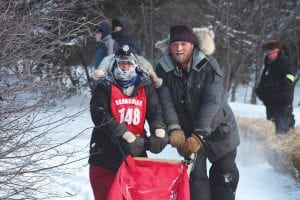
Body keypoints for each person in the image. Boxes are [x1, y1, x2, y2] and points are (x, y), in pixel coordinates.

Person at [155, 25, 240, 200]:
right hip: (187, 133)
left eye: (183, 43)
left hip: (219, 131)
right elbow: (165, 102)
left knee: (224, 179)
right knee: (195, 183)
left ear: (192, 45)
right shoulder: (163, 69)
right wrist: (174, 128)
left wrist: (200, 134)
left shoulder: (209, 66)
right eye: (175, 44)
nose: (179, 48)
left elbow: (212, 102)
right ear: (169, 46)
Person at [88, 44, 168, 200]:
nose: (125, 67)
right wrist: (123, 133)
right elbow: (100, 115)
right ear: (115, 64)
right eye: (122, 63)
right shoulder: (104, 85)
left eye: (129, 63)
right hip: (105, 154)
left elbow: (154, 111)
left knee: (135, 196)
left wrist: (158, 129)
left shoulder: (146, 87)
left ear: (135, 65)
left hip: (135, 153)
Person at [256, 40, 296, 134]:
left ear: (278, 52)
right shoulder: (268, 66)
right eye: (268, 53)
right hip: (270, 103)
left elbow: (291, 76)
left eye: (272, 52)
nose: (270, 55)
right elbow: (264, 82)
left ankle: (283, 146)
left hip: (282, 103)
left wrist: (279, 85)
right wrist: (260, 91)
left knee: (281, 129)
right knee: (271, 128)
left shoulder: (285, 63)